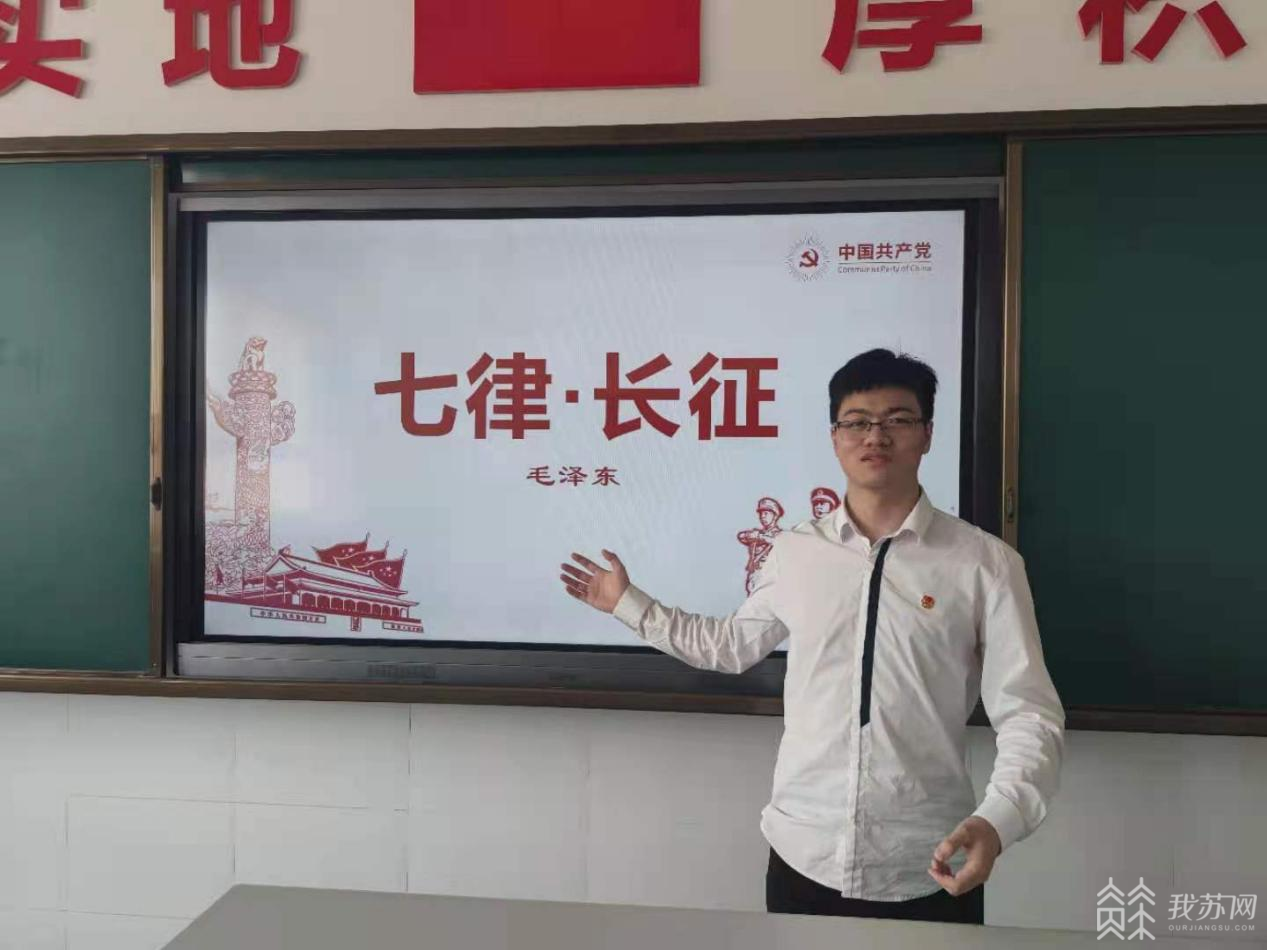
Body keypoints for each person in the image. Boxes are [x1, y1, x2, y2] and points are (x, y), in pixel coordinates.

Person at [559, 349, 1064, 924]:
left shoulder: (985, 564)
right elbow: (730, 646)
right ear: (834, 437)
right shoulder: (797, 551)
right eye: (857, 421)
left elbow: (1029, 715)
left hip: (931, 861)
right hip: (803, 856)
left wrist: (997, 822)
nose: (875, 436)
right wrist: (628, 604)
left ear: (927, 434)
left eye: (898, 420)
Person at [736, 496, 784, 595]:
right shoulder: (756, 534)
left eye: (766, 513)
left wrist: (760, 537)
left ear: (775, 515)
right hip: (754, 577)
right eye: (761, 514)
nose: (762, 516)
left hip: (770, 577)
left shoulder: (780, 535)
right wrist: (757, 536)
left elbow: (778, 542)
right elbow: (741, 536)